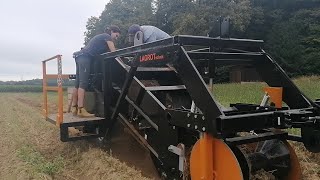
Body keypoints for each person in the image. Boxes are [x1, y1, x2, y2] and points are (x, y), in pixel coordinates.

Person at [71, 25, 121, 117]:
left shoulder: (101, 38)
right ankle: (81, 109)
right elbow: (114, 52)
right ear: (112, 32)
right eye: (116, 35)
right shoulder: (107, 36)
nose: (116, 38)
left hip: (79, 57)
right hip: (85, 58)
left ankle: (74, 107)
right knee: (83, 83)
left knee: (77, 83)